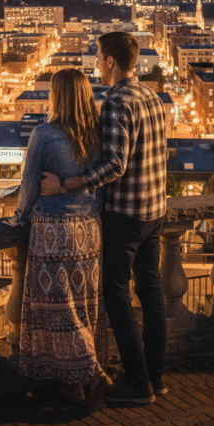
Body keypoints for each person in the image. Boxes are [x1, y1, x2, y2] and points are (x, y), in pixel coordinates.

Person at [40, 32, 167, 407]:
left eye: (99, 56)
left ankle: (138, 382)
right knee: (152, 292)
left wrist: (68, 182)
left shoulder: (116, 103)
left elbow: (115, 164)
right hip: (155, 211)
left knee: (115, 295)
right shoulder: (153, 97)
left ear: (111, 61)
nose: (97, 63)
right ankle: (157, 377)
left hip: (126, 215)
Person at [4, 68, 111, 411]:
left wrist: (18, 219)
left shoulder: (44, 135)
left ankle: (92, 374)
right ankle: (72, 386)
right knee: (82, 304)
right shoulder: (98, 134)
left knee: (60, 311)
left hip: (53, 231)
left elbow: (29, 184)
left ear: (56, 96)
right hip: (89, 230)